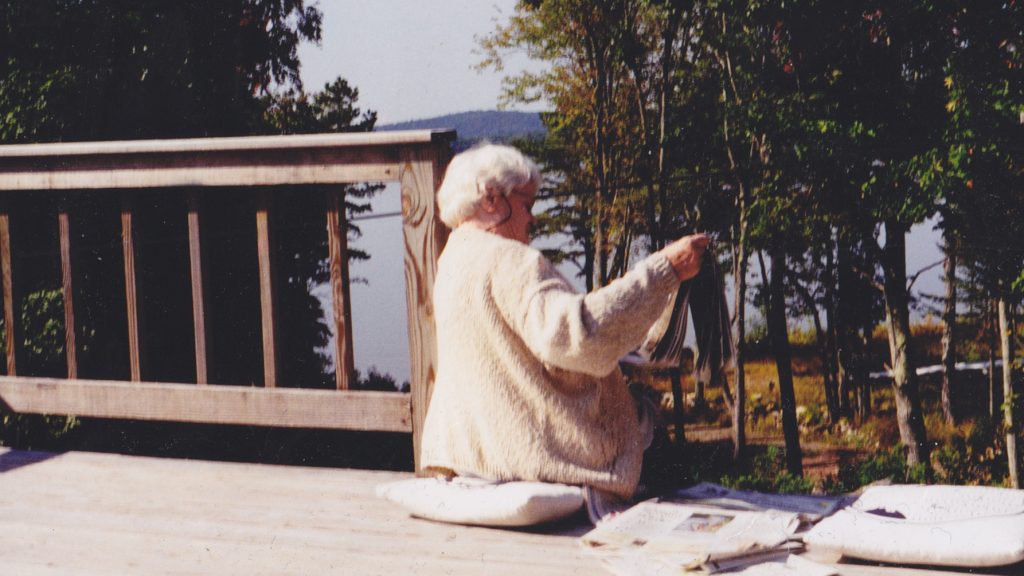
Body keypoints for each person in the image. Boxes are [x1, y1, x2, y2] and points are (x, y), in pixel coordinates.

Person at [420, 143, 709, 500]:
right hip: (537, 457)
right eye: (526, 205)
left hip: (473, 453)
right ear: (491, 198)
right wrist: (664, 270)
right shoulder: (510, 259)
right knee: (653, 438)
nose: (533, 219)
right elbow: (580, 337)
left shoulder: (452, 259)